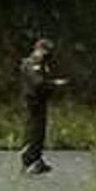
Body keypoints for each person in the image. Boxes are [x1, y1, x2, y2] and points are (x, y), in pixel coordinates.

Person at [20, 38, 67, 176]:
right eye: (45, 51)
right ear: (39, 50)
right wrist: (54, 84)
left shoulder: (42, 64)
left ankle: (37, 159)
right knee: (34, 130)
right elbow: (38, 83)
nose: (47, 55)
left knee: (40, 131)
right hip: (33, 101)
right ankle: (29, 161)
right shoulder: (32, 64)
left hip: (40, 100)